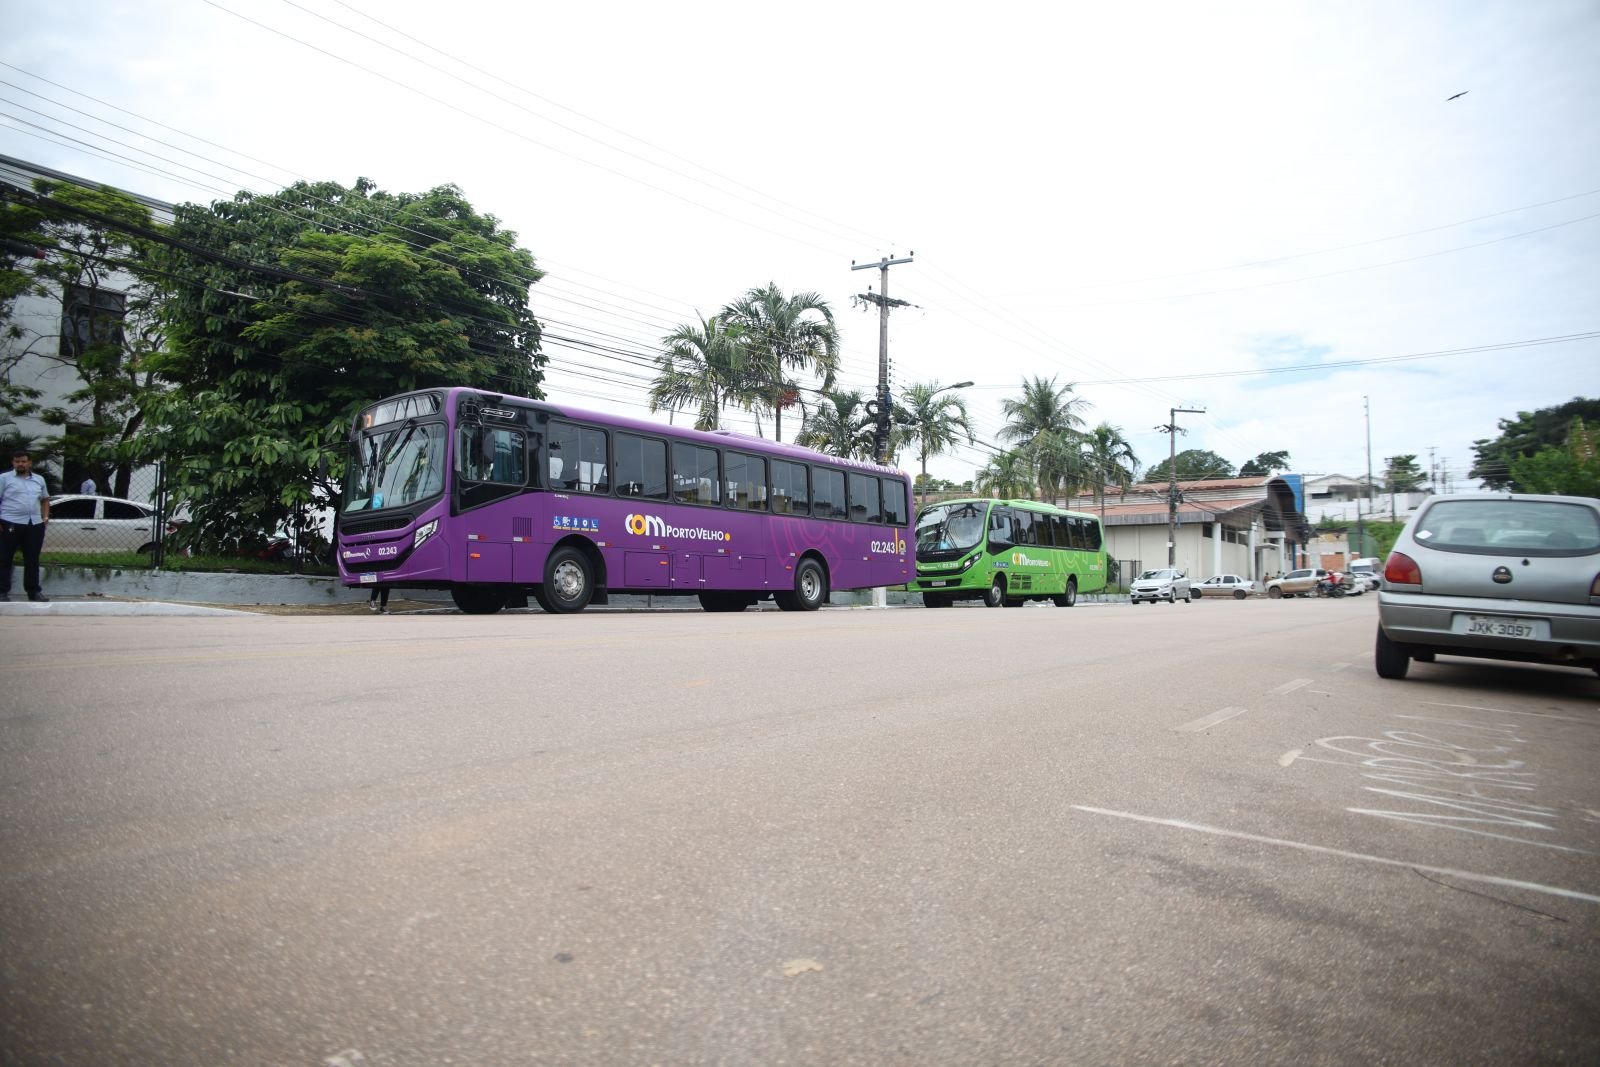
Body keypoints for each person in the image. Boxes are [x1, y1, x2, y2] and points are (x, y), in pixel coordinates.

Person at [0, 450, 52, 602]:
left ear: (29, 463)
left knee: (32, 559)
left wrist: (45, 517)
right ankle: (2, 592)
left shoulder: (39, 479)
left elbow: (45, 499)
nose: (20, 464)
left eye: (23, 461)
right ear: (13, 463)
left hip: (34, 524)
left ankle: (33, 592)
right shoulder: (4, 478)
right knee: (4, 558)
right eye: (17, 461)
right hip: (10, 522)